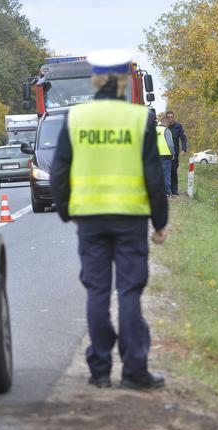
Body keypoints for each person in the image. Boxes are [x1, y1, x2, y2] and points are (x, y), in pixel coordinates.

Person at [50, 49, 169, 390]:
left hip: (89, 219)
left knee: (97, 291)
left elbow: (59, 171)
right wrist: (160, 222)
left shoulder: (76, 118)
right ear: (122, 82)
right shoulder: (139, 119)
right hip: (130, 220)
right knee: (129, 292)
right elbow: (153, 177)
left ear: (96, 79)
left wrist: (66, 210)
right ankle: (134, 370)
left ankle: (100, 370)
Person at [165, 110, 187, 195]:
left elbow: (183, 138)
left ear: (173, 117)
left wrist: (184, 149)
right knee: (166, 172)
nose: (170, 119)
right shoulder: (164, 127)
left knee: (174, 171)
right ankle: (167, 190)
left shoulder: (178, 127)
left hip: (174, 154)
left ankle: (174, 190)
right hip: (165, 154)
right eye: (168, 117)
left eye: (171, 117)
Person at [156, 116, 173, 197]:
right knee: (166, 174)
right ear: (167, 123)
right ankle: (166, 193)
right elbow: (170, 144)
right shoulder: (166, 130)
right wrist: (172, 153)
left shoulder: (154, 129)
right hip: (165, 155)